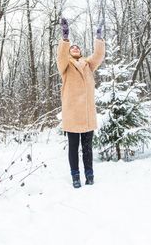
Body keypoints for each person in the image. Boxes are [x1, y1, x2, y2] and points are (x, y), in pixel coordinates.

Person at [56, 17, 105, 188]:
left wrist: (98, 38)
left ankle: (89, 174)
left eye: (77, 47)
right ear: (69, 53)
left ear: (81, 52)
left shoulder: (88, 65)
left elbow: (98, 55)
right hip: (72, 114)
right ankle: (75, 176)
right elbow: (61, 55)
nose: (75, 48)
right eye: (72, 48)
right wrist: (65, 38)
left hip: (86, 113)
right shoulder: (65, 66)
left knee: (87, 148)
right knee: (73, 148)